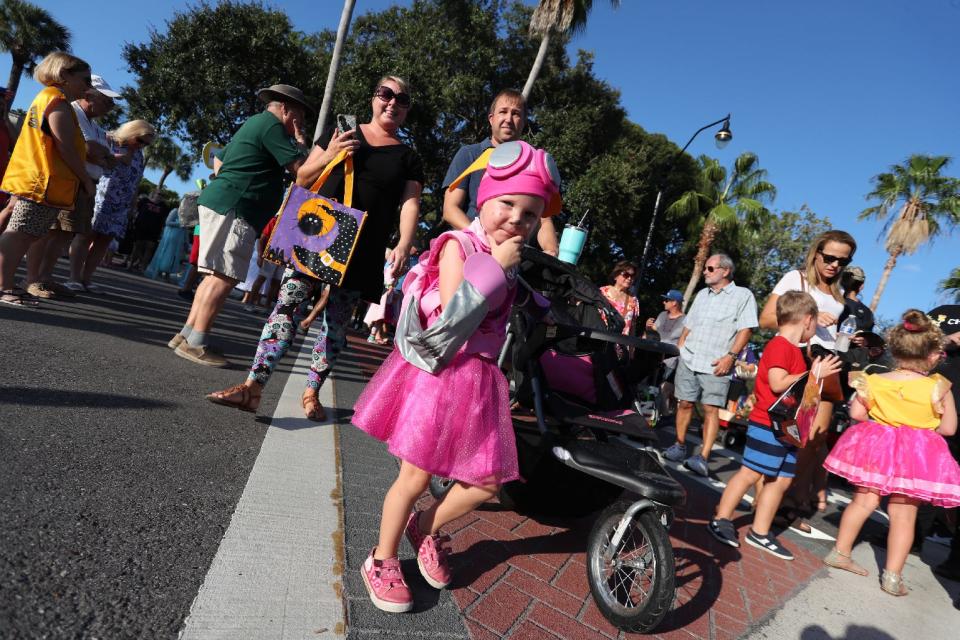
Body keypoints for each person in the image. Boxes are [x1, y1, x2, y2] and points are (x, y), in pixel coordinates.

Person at [351, 139, 559, 613]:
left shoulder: (511, 260)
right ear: (484, 200)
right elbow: (451, 317)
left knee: (486, 482)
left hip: (482, 380)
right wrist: (498, 273)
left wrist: (534, 297)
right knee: (416, 475)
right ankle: (381, 559)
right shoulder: (458, 244)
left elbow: (517, 307)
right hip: (441, 371)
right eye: (508, 204)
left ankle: (423, 527)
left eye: (530, 214)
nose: (517, 220)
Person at [205, 75, 422, 417]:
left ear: (408, 111)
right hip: (316, 233)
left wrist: (404, 243)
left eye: (402, 99)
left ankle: (311, 394)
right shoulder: (343, 128)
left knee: (335, 323)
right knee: (287, 306)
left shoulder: (408, 157)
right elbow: (303, 177)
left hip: (364, 247)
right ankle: (253, 388)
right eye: (385, 93)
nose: (393, 102)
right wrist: (331, 153)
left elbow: (410, 203)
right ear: (373, 97)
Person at [170, 83, 310, 366]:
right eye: (300, 116)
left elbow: (219, 161)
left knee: (215, 274)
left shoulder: (255, 123)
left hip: (225, 201)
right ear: (286, 109)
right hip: (237, 206)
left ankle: (186, 334)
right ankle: (196, 341)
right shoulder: (272, 126)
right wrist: (302, 143)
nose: (301, 122)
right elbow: (301, 172)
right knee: (224, 275)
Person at [822, 310, 960, 595]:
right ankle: (892, 577)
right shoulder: (940, 387)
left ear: (896, 350)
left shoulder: (873, 379)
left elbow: (858, 413)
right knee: (904, 516)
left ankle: (840, 553)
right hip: (917, 455)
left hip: (877, 447)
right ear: (933, 356)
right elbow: (949, 429)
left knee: (862, 503)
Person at [709, 291, 842, 559]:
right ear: (808, 320)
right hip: (767, 424)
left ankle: (760, 531)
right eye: (815, 324)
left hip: (787, 427)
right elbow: (777, 382)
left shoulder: (795, 350)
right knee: (750, 473)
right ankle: (721, 519)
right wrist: (814, 373)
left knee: (780, 479)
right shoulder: (780, 346)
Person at [759, 230, 857, 529]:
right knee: (790, 434)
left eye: (843, 261)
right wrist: (809, 319)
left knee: (816, 438)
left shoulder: (839, 295)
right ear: (816, 253)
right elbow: (765, 319)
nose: (834, 265)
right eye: (829, 258)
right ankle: (770, 499)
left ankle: (792, 503)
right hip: (797, 361)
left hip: (827, 364)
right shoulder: (795, 279)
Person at [0, 52, 93, 307]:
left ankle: (7, 283)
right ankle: (3, 285)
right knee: (20, 233)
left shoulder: (51, 99)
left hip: (40, 181)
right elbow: (66, 148)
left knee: (25, 233)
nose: (89, 87)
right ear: (64, 75)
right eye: (85, 80)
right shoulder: (56, 101)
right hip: (40, 181)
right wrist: (86, 180)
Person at [25, 74, 121, 298]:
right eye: (106, 100)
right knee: (49, 231)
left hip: (84, 183)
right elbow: (89, 151)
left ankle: (45, 277)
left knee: (64, 233)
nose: (111, 106)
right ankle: (32, 279)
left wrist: (103, 155)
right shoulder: (73, 112)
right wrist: (101, 155)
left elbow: (104, 157)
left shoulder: (94, 125)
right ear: (90, 94)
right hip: (70, 179)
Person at [663, 254, 758, 476]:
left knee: (711, 409)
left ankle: (703, 457)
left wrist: (730, 357)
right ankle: (679, 446)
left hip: (717, 363)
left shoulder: (743, 295)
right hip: (690, 358)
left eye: (710, 268)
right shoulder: (702, 295)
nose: (705, 271)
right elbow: (690, 323)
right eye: (705, 268)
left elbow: (747, 329)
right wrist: (682, 344)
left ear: (725, 271)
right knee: (684, 403)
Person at [441, 88, 559, 256]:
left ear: (524, 122)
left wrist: (551, 252)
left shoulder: (534, 163)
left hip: (516, 257)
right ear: (491, 118)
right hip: (469, 252)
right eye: (503, 112)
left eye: (516, 114)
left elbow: (543, 218)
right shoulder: (469, 154)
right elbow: (450, 209)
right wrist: (482, 242)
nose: (508, 119)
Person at [73, 119, 154, 291]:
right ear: (132, 132)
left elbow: (136, 180)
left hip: (121, 205)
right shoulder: (109, 140)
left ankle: (86, 279)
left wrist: (132, 205)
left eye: (146, 144)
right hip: (100, 197)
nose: (141, 146)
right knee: (86, 236)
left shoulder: (139, 155)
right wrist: (117, 158)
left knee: (104, 241)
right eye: (140, 140)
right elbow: (89, 157)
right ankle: (74, 277)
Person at [924, 304, 960, 581]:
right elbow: (913, 340)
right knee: (922, 479)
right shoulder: (944, 310)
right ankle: (908, 537)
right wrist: (946, 340)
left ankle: (957, 560)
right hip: (931, 411)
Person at [144, 206, 189, 280]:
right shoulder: (175, 211)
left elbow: (186, 229)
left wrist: (186, 241)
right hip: (170, 236)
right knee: (165, 254)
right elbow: (168, 222)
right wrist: (180, 224)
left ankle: (168, 273)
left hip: (179, 239)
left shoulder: (187, 215)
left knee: (174, 256)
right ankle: (159, 271)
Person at [600, 260, 640, 335]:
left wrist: (631, 346)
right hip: (601, 340)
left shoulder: (633, 300)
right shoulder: (602, 292)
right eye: (626, 275)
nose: (629, 278)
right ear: (615, 275)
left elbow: (632, 327)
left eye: (632, 276)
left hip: (621, 344)